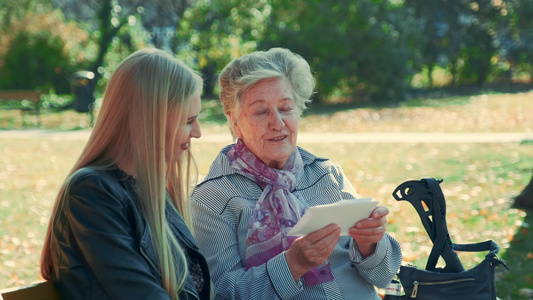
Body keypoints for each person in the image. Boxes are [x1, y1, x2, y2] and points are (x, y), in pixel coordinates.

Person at [190, 47, 402, 299]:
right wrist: (292, 265)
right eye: (261, 111)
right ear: (234, 120)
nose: (277, 123)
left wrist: (370, 244)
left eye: (286, 108)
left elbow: (384, 277)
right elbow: (221, 293)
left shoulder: (326, 174)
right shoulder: (212, 199)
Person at [40, 48, 213, 300]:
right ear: (151, 121)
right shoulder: (91, 193)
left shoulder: (150, 190)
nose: (197, 132)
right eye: (188, 121)